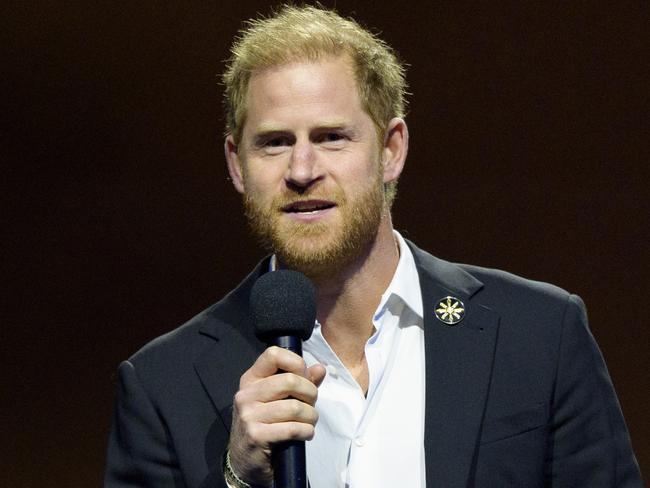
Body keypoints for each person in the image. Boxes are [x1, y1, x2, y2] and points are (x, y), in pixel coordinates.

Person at [104, 5, 642, 487]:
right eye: (274, 143)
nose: (301, 170)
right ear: (235, 163)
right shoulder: (160, 388)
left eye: (331, 137)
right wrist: (237, 481)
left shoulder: (540, 335)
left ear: (391, 150)